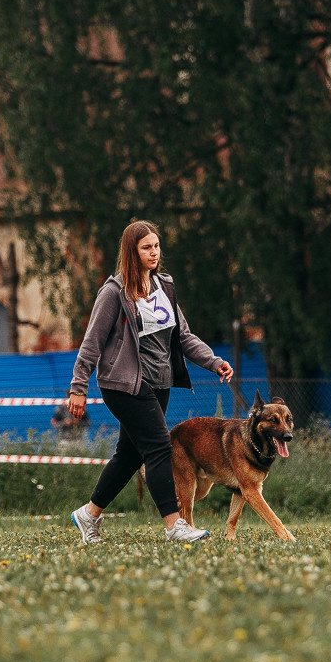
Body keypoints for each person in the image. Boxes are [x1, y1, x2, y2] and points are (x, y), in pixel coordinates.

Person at [67, 220, 233, 544]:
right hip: (123, 383)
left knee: (129, 455)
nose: (154, 252)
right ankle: (175, 526)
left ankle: (88, 516)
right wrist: (78, 387)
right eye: (147, 247)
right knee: (159, 447)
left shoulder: (164, 286)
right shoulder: (113, 292)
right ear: (132, 252)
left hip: (159, 382)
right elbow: (92, 343)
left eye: (156, 246)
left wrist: (214, 362)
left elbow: (183, 336)